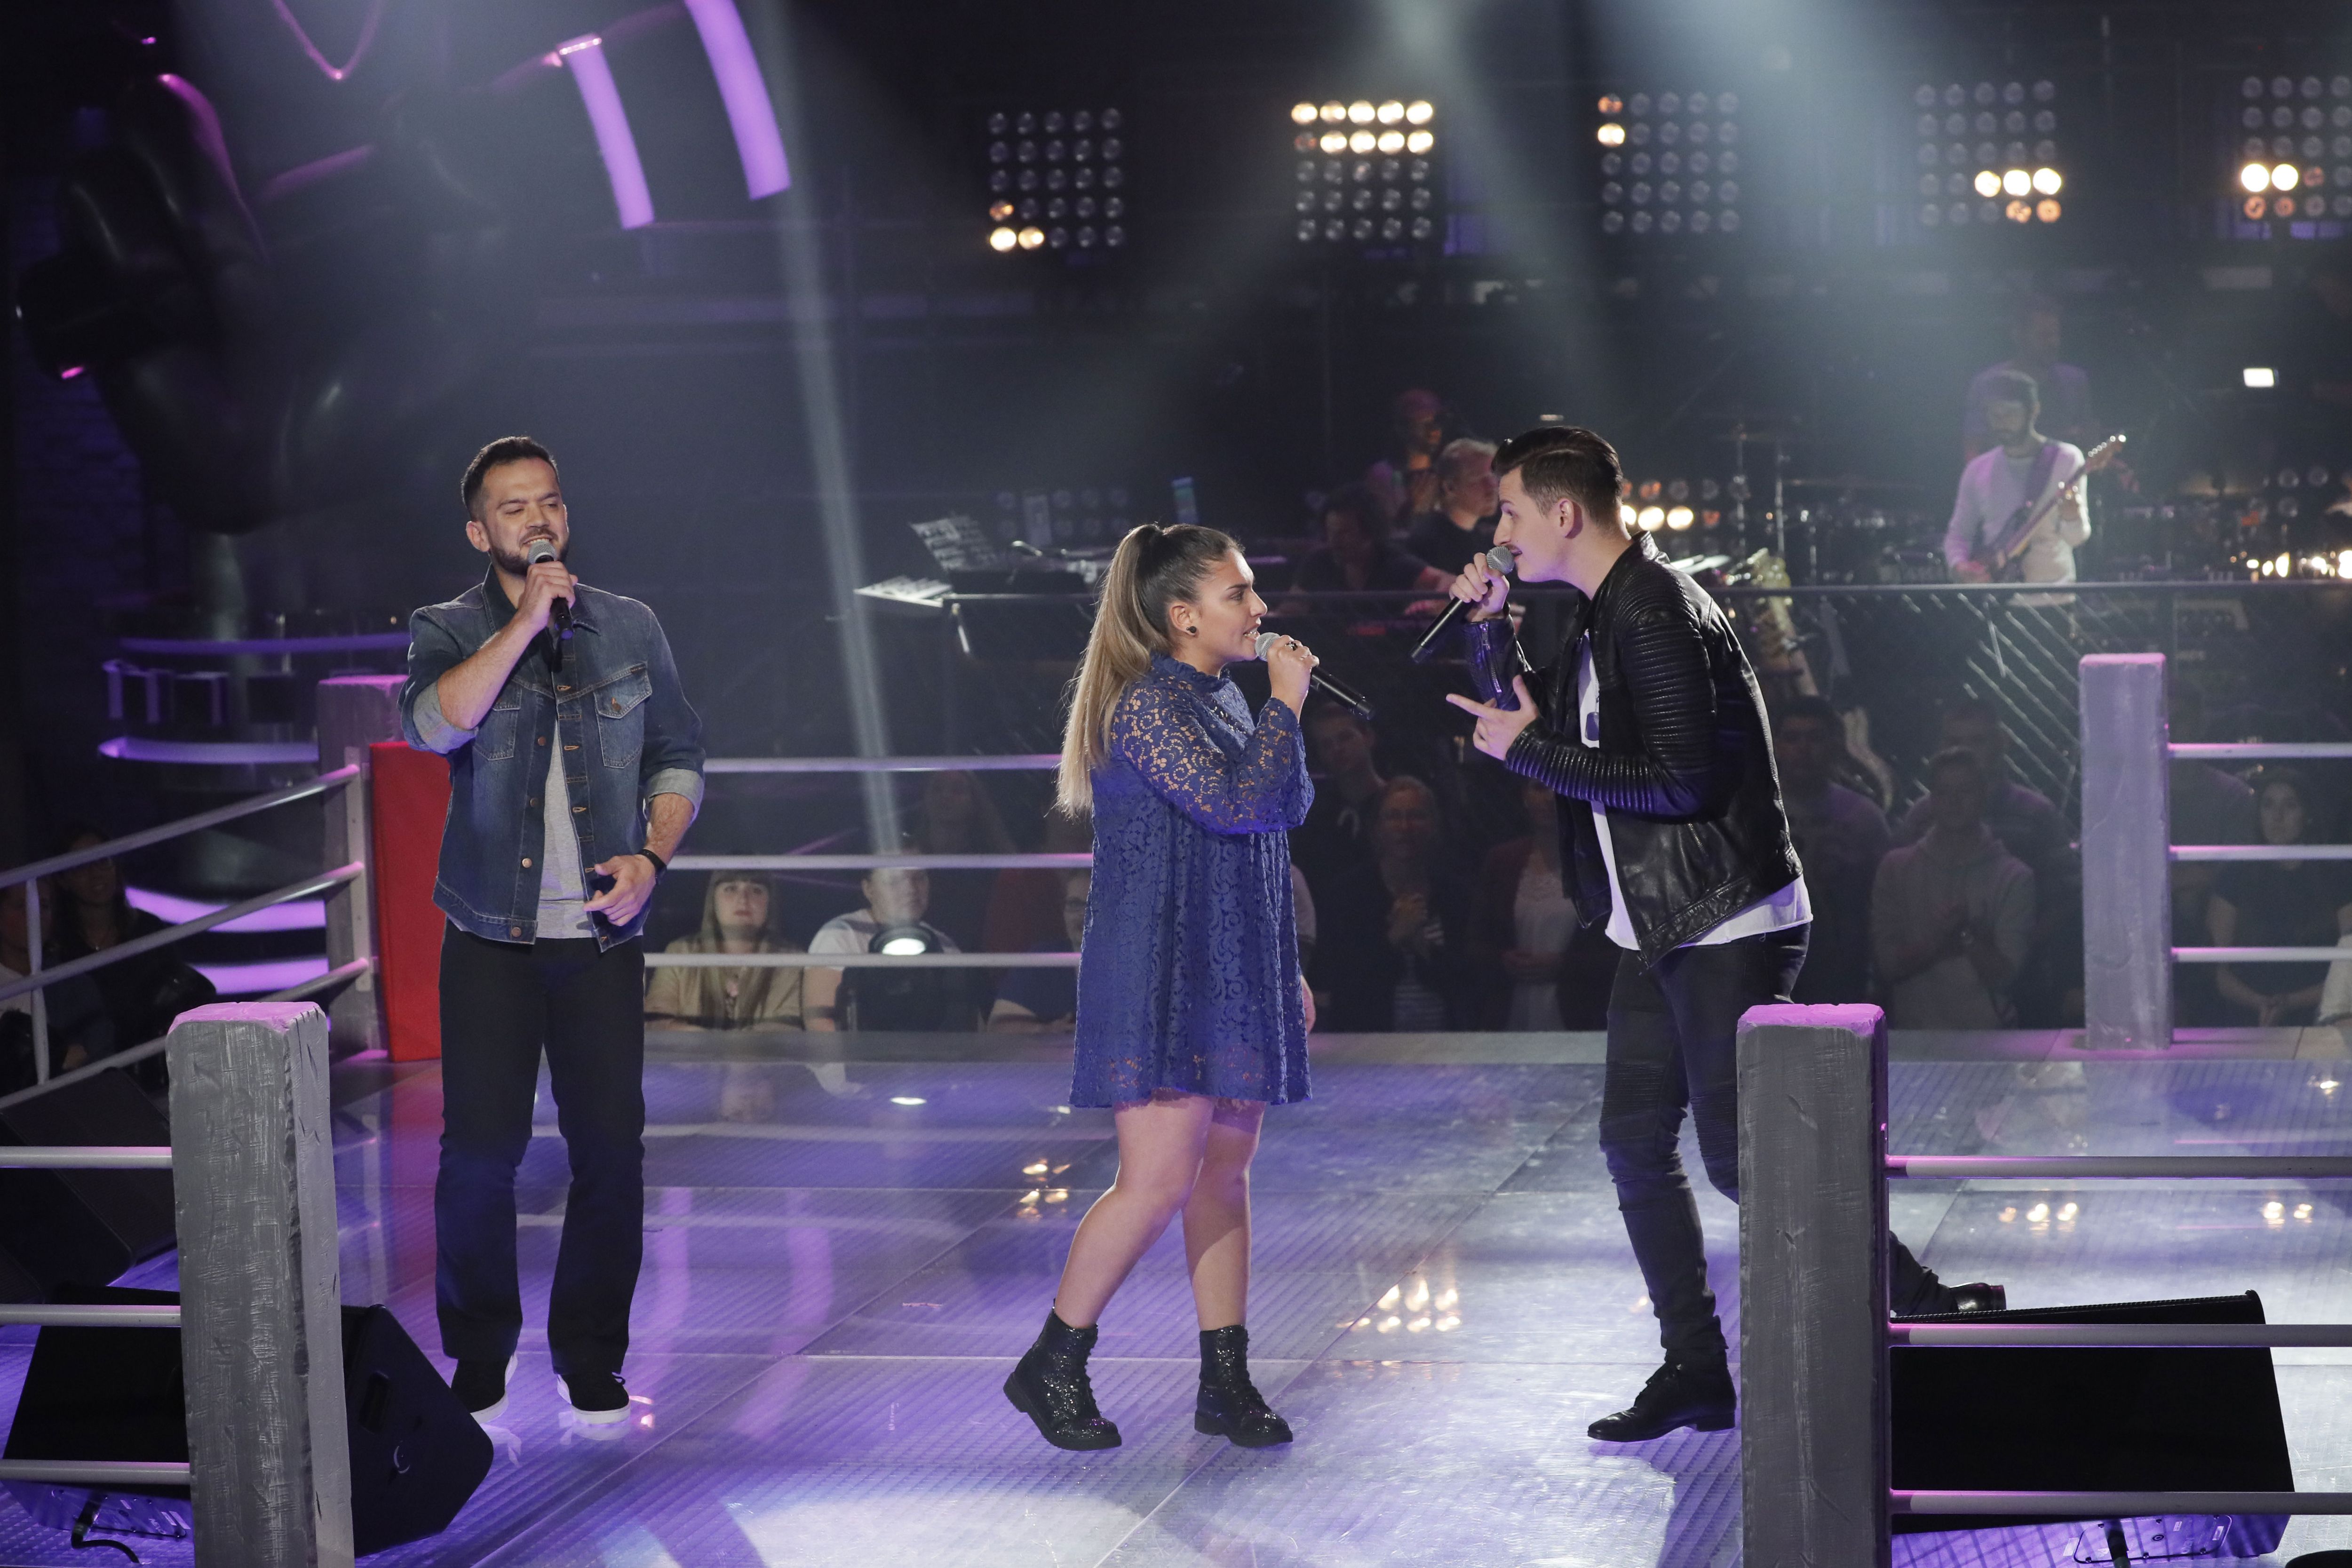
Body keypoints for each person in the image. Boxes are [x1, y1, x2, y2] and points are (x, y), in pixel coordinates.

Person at [1441, 425, 2002, 1444]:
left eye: (1509, 509)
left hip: (1721, 916)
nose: (1499, 529)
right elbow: (1536, 718)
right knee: (1633, 1142)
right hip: (1657, 920)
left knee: (1747, 1160)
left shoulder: (1656, 611)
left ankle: (1926, 1307)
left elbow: (1679, 781)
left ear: (1563, 512)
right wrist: (1489, 629)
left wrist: (1532, 757)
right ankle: (1696, 1367)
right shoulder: (1601, 607)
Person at [399, 435, 705, 1428]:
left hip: (601, 938)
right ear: (479, 531)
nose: (539, 519)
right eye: (515, 507)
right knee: (478, 1159)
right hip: (491, 935)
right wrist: (527, 620)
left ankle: (591, 1354)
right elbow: (434, 726)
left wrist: (652, 856)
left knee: (611, 1157)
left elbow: (678, 753)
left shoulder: (631, 625)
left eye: (550, 503)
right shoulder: (447, 626)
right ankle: (480, 1347)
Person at [1004, 522, 1316, 1454]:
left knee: (1225, 1173)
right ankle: (1053, 1359)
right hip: (1162, 972)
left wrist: (1286, 967)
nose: (1259, 609)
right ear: (1182, 615)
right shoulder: (1145, 707)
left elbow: (1282, 809)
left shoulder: (1225, 697)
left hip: (1237, 961)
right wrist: (1286, 703)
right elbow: (1234, 802)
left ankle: (1225, 1378)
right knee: (1155, 1181)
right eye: (1238, 593)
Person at [1871, 748, 2035, 1029]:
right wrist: (1943, 938)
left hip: (1989, 1038)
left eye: (1965, 791)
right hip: (1914, 1036)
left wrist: (1965, 935)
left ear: (1984, 795)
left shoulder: (2015, 877)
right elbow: (1887, 966)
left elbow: (2007, 977)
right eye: (1944, 792)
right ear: (1931, 799)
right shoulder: (1895, 870)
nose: (1954, 802)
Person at [1311, 776, 1476, 1031]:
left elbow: (1468, 984)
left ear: (1433, 825)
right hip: (1369, 1042)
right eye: (1394, 817)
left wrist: (1424, 949)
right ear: (1377, 828)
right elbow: (1342, 982)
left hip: (1442, 1042)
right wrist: (1394, 938)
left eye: (1416, 816)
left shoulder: (1454, 893)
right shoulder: (1349, 894)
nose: (1405, 827)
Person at [46, 824, 216, 1052]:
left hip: (150, 1057)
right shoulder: (55, 945)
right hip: (89, 1066)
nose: (96, 873)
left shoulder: (147, 928)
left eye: (103, 860)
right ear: (62, 880)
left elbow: (180, 995)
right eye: (81, 866)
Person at [2207, 771, 2352, 1028]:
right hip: (2248, 1017)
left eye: (2290, 805)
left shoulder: (2336, 874)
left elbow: (2349, 968)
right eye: (2268, 805)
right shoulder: (2235, 875)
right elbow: (2217, 969)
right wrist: (2259, 1003)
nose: (2278, 816)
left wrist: (2291, 1003)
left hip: (2322, 1017)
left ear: (2308, 815)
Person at [1773, 700, 1891, 1005]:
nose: (1803, 749)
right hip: (1768, 974)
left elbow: (1887, 903)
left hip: (1843, 978)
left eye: (1815, 738)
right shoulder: (1751, 813)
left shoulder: (1864, 818)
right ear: (1776, 746)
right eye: (1792, 738)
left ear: (1834, 745)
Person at [1892, 698, 2070, 889]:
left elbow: (2065, 888)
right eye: (1955, 742)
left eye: (1977, 741)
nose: (1965, 751)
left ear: (2001, 742)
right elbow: (1898, 881)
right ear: (1942, 747)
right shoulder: (1923, 816)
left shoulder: (2036, 814)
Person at [1945, 370, 2091, 589]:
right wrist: (1960, 566)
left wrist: (2072, 516)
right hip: (1996, 596)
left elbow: (2076, 539)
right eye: (1994, 414)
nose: (2001, 422)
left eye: (2011, 414)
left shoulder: (2066, 459)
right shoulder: (1977, 469)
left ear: (2034, 411)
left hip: (2055, 594)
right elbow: (1958, 534)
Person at [805, 864, 974, 1032]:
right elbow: (821, 1025)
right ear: (869, 890)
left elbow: (961, 1025)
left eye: (919, 877)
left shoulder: (945, 946)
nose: (910, 889)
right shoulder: (841, 935)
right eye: (895, 880)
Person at [1470, 777, 1583, 1030]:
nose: (1550, 798)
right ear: (1525, 796)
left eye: (1561, 787)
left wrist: (1566, 966)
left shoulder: (1603, 865)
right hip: (1510, 1015)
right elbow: (1476, 941)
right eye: (1540, 787)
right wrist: (1503, 960)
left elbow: (1623, 953)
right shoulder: (1501, 861)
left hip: (1580, 1016)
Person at [644, 871, 804, 1030]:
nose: (743, 899)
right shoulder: (681, 953)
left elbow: (789, 1024)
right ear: (713, 901)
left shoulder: (790, 960)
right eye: (731, 889)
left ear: (769, 903)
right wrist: (705, 1040)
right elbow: (657, 1020)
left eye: (756, 890)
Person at [0, 881, 115, 1089]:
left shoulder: (74, 983)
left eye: (43, 906)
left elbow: (100, 1050)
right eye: (20, 905)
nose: (33, 914)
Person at [1963, 294, 2097, 459]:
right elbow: (1973, 449)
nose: (2053, 343)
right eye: (2044, 336)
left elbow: (2089, 442)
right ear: (2019, 336)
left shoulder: (2075, 381)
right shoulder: (1988, 383)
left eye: (2056, 335)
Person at [1285, 483, 1447, 601]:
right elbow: (1289, 612)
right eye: (1331, 532)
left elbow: (1447, 581)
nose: (1334, 541)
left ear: (1369, 531)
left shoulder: (1395, 564)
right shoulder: (1318, 563)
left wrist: (1434, 605)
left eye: (1344, 533)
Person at [910, 768, 1012, 954]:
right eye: (937, 788)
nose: (946, 796)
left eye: (957, 790)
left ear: (974, 802)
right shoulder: (909, 863)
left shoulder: (989, 867)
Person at [987, 871, 1087, 1033]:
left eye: (1096, 903)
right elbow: (997, 1028)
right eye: (1075, 905)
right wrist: (1045, 1031)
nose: (1084, 915)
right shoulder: (1043, 961)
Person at [1404, 438, 1501, 577]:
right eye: (1478, 478)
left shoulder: (1486, 541)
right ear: (1450, 487)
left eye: (1494, 477)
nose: (1493, 486)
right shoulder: (1429, 543)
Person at [1364, 387, 1451, 525]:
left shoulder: (1447, 473)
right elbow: (1382, 530)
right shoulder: (1383, 475)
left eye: (1436, 423)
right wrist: (1412, 510)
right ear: (1403, 428)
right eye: (1424, 424)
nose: (1433, 431)